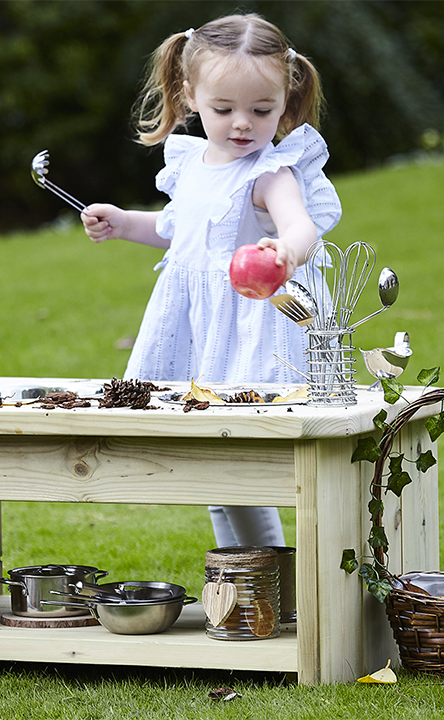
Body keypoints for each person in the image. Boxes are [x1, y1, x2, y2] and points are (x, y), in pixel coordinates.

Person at [81, 13, 341, 548]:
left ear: (285, 104)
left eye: (261, 110)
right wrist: (124, 223)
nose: (242, 123)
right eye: (225, 109)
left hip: (247, 330)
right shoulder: (190, 165)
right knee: (217, 477)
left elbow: (301, 226)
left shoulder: (271, 173)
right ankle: (249, 577)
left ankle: (265, 574)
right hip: (199, 328)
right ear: (190, 96)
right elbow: (180, 234)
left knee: (238, 466)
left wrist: (284, 250)